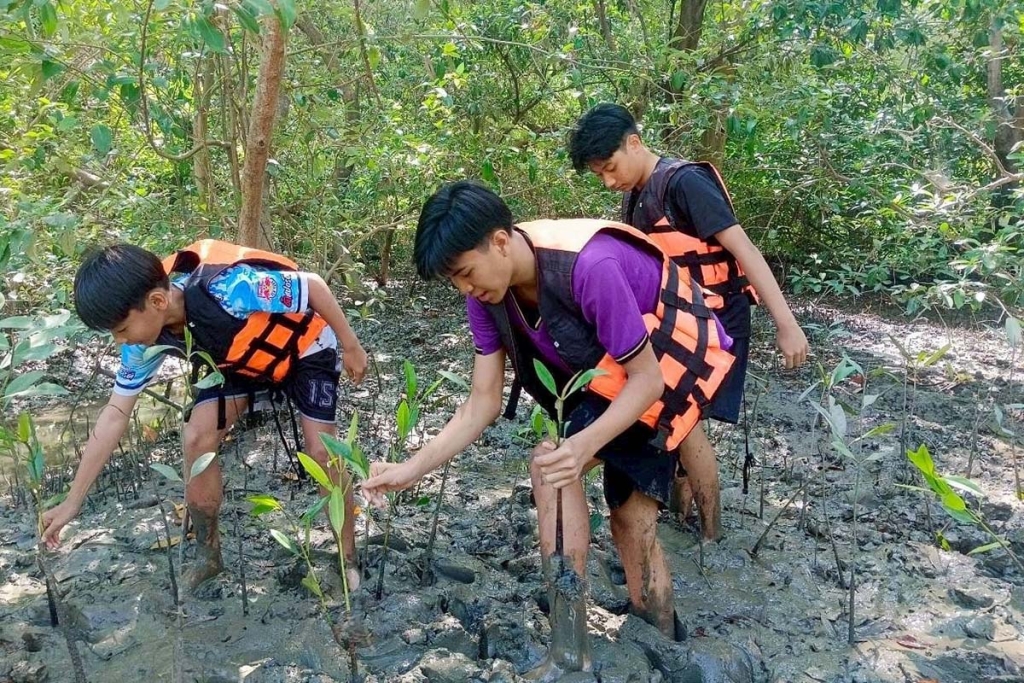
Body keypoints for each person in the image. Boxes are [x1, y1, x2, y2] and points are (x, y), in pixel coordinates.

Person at [362, 181, 735, 643]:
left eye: (464, 271)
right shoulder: (487, 297)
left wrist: (581, 445)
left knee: (626, 517)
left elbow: (648, 380)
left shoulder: (589, 266)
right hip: (597, 382)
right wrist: (410, 470)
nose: (465, 288)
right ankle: (571, 641)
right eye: (453, 280)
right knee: (558, 470)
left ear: (500, 241)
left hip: (657, 376)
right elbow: (482, 401)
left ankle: (655, 635)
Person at [41, 240, 369, 593]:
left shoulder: (231, 289)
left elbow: (314, 286)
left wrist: (351, 345)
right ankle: (208, 556)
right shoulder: (142, 346)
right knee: (197, 437)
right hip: (235, 364)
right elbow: (114, 415)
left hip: (305, 348)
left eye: (121, 329)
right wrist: (72, 501)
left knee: (323, 452)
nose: (120, 342)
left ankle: (345, 557)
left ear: (156, 301)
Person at [568, 103, 809, 538]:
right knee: (670, 425)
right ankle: (681, 519)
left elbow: (745, 251)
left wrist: (786, 323)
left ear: (634, 142)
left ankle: (713, 532)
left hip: (717, 323)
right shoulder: (636, 195)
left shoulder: (686, 183)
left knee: (686, 424)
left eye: (609, 167)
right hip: (677, 322)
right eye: (598, 174)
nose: (607, 181)